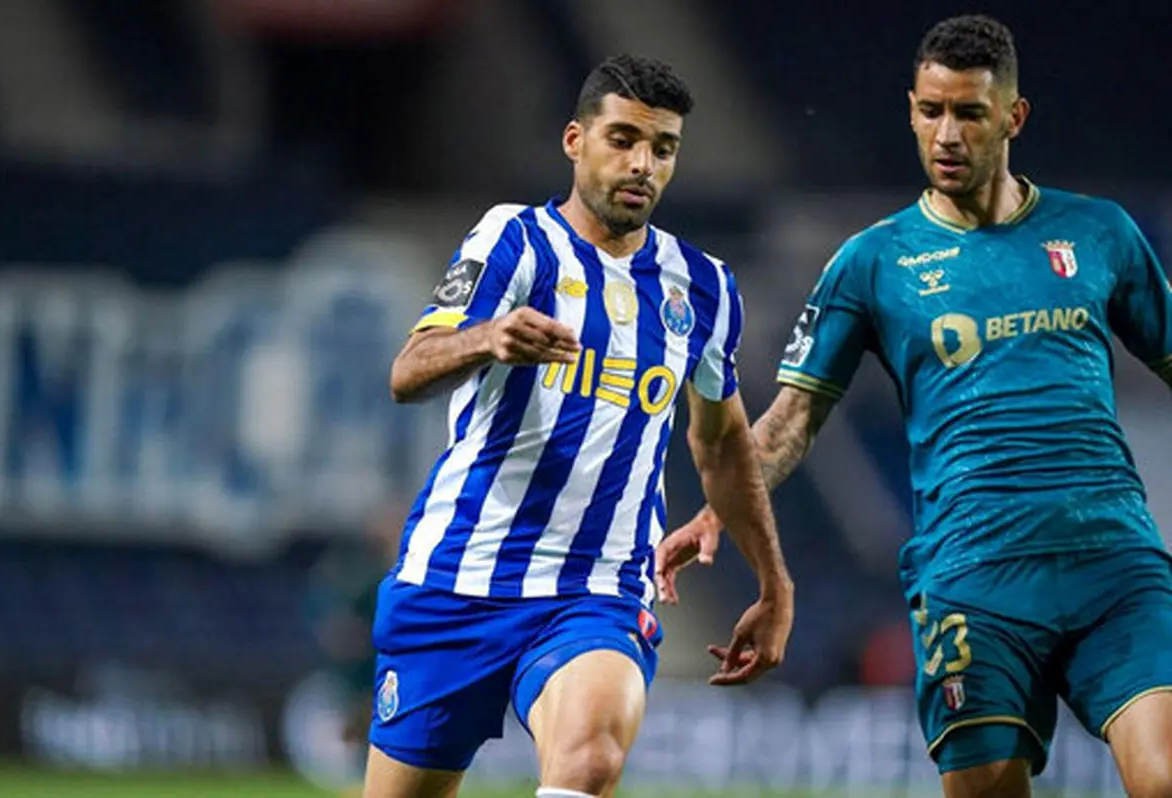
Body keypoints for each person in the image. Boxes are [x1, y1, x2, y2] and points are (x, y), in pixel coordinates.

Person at [657, 14, 1172, 798]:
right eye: (931, 111)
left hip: (1112, 560)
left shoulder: (1100, 233)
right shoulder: (874, 261)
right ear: (911, 110)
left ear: (1014, 117)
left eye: (969, 113)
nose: (947, 134)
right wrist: (717, 511)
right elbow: (792, 419)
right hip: (972, 579)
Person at [365, 54, 795, 798]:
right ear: (575, 140)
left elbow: (723, 443)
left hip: (597, 590)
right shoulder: (514, 240)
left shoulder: (705, 288)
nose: (643, 165)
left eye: (663, 149)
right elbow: (408, 373)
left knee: (589, 760)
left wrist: (773, 580)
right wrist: (486, 337)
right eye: (623, 139)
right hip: (455, 578)